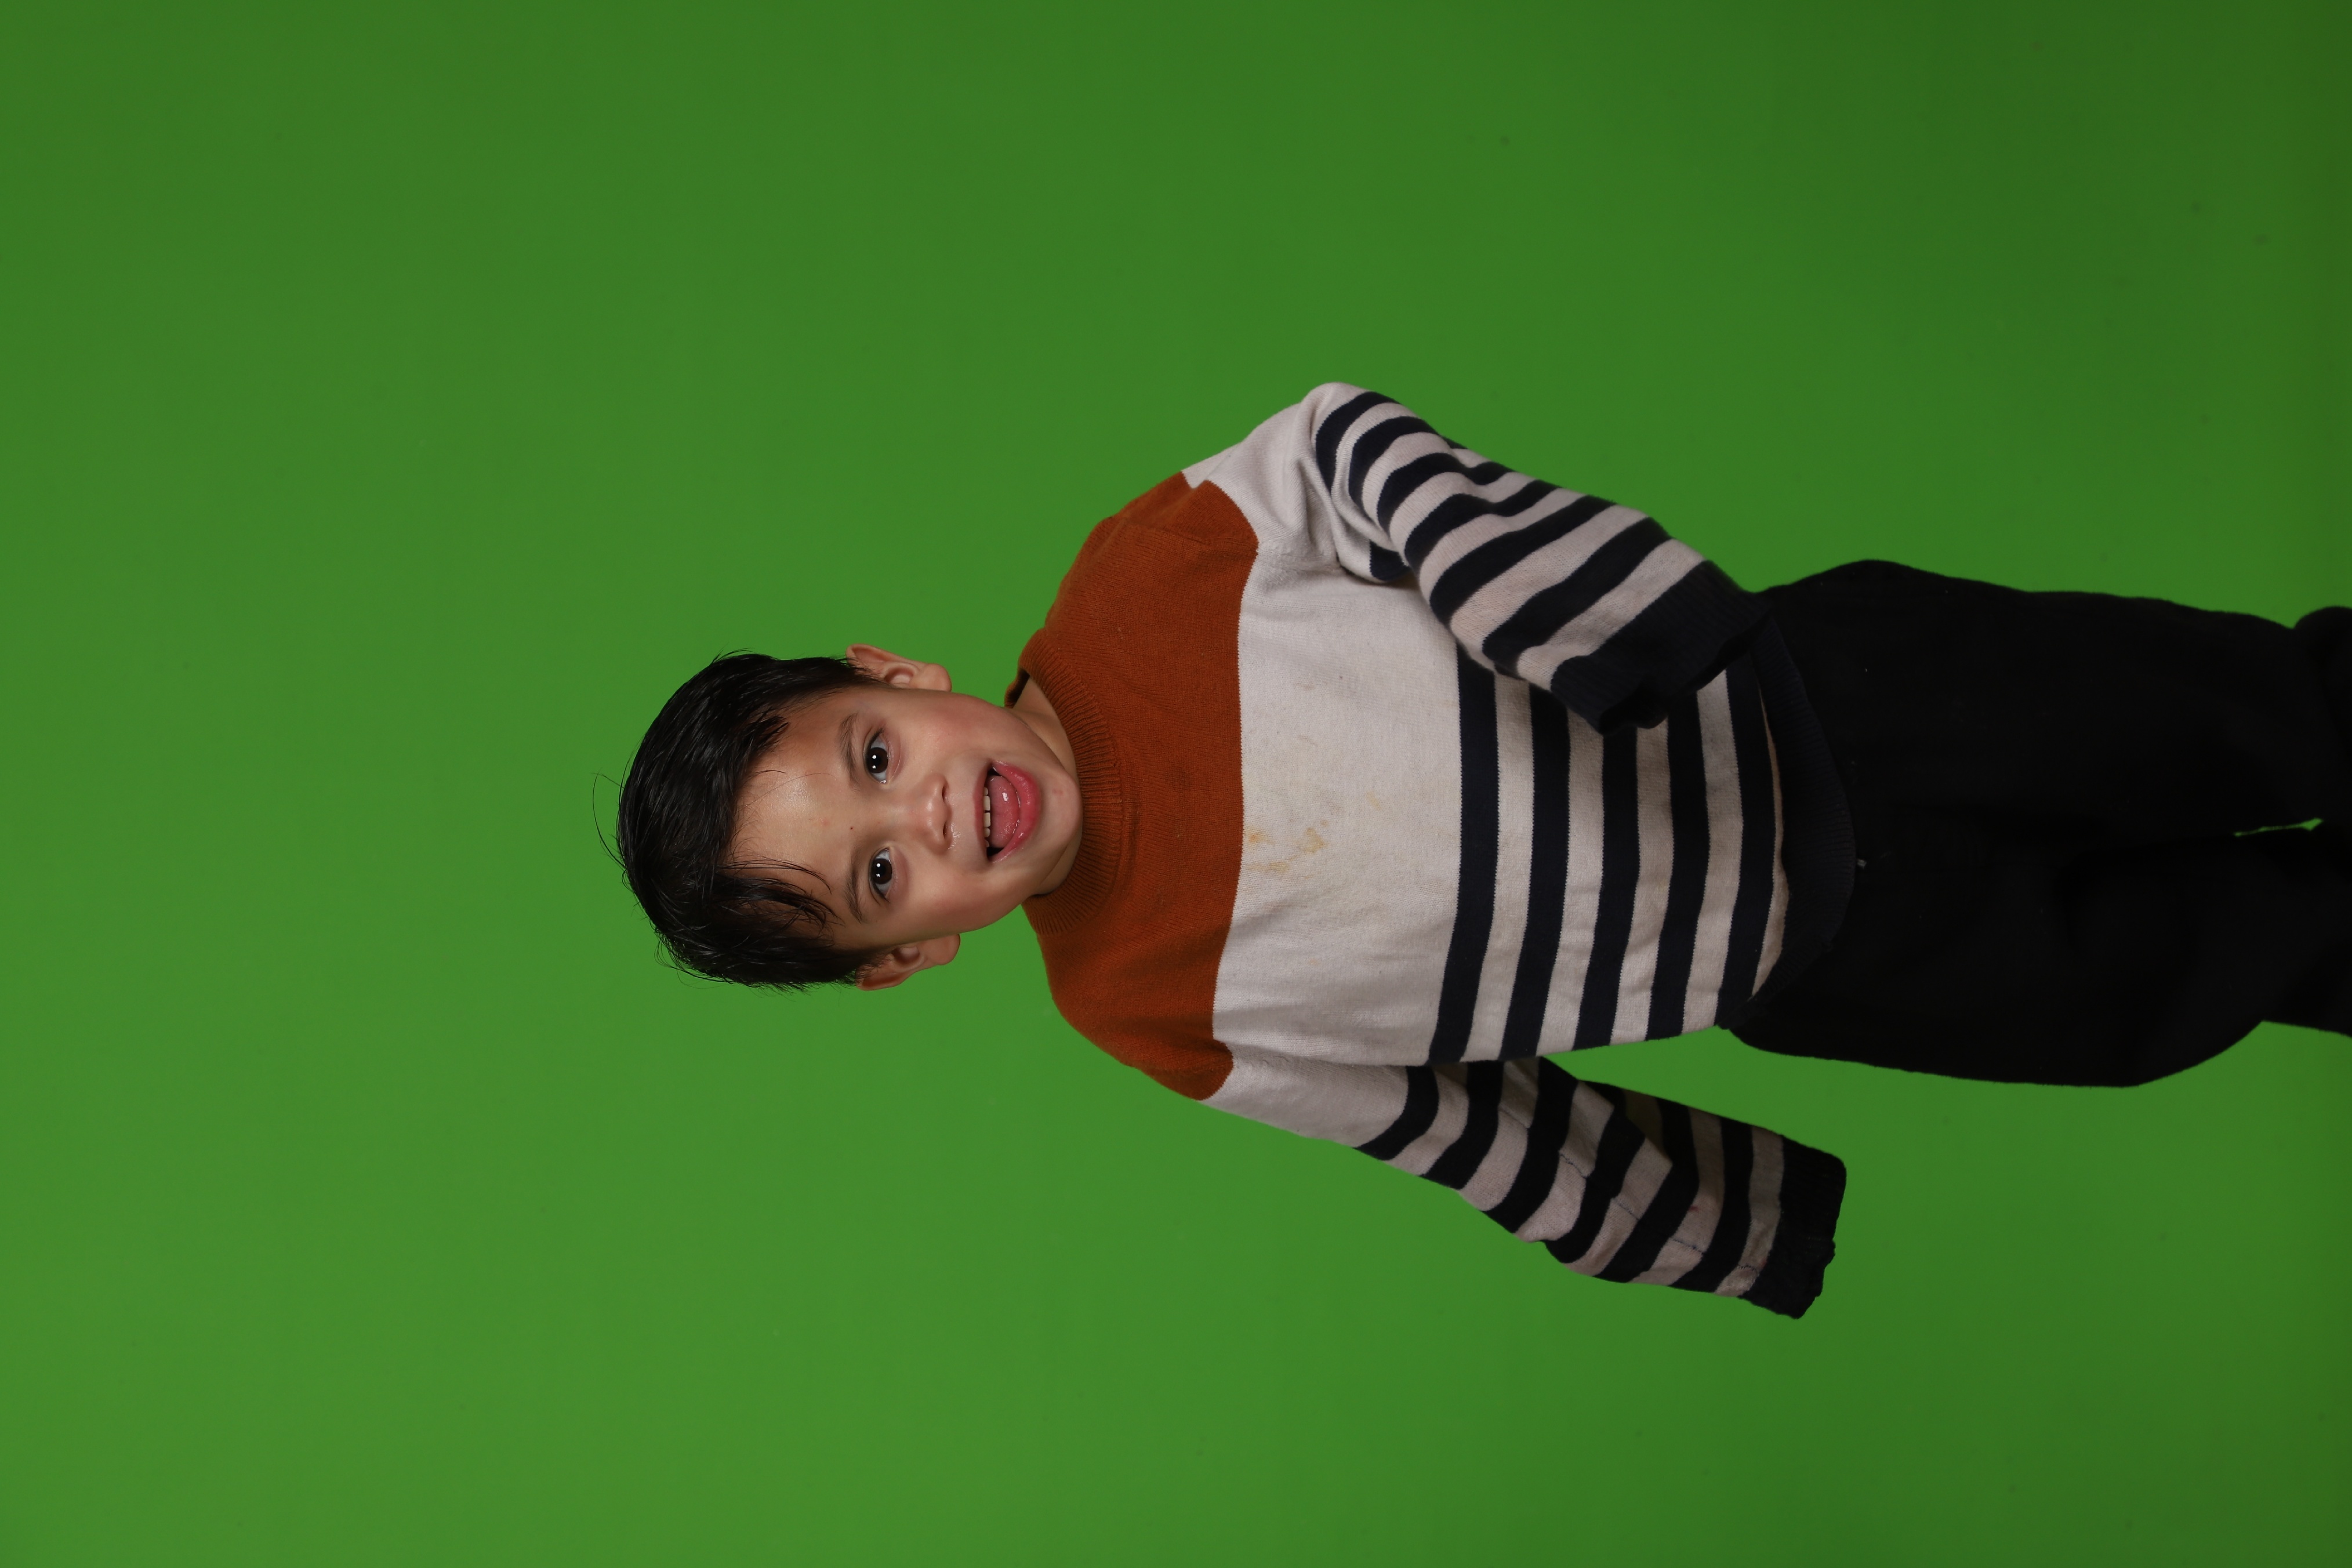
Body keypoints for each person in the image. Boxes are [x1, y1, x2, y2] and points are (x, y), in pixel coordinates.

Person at [616, 385, 2352, 1318]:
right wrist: (1693, 1220)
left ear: (900, 677)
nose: (920, 816)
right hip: (1815, 959)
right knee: (2193, 971)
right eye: (878, 878)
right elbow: (1434, 1118)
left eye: (872, 759)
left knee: (2247, 714)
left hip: (1827, 698)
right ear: (914, 954)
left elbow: (1337, 443)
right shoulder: (1141, 1009)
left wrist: (1537, 592)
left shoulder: (1142, 573)